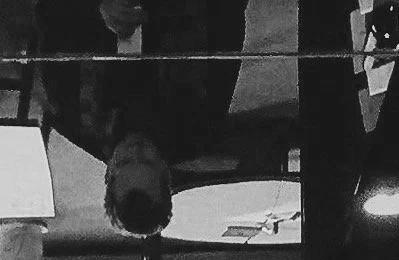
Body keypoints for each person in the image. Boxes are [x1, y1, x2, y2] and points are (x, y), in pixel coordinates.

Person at [33, 0, 250, 236]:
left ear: (109, 173)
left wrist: (94, 7)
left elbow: (49, 14)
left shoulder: (73, 116)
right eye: (146, 159)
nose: (135, 146)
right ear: (165, 172)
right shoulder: (201, 126)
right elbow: (230, 21)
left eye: (125, 160)